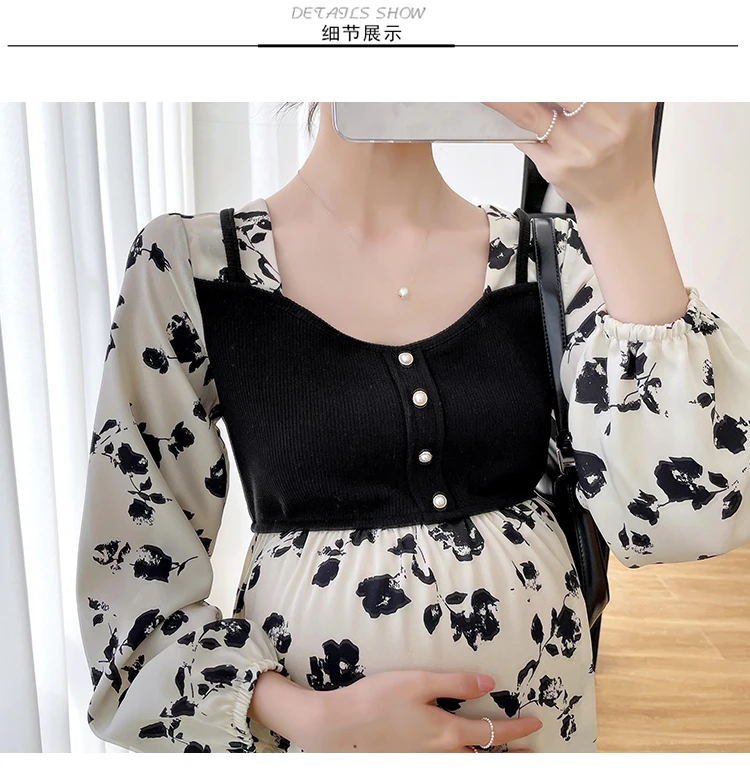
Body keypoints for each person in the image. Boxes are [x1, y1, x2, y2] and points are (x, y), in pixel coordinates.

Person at [76, 102, 750, 753]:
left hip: (543, 729)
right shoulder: (192, 267)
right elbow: (131, 596)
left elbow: (686, 516)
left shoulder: (552, 259)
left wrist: (622, 203)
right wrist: (312, 718)